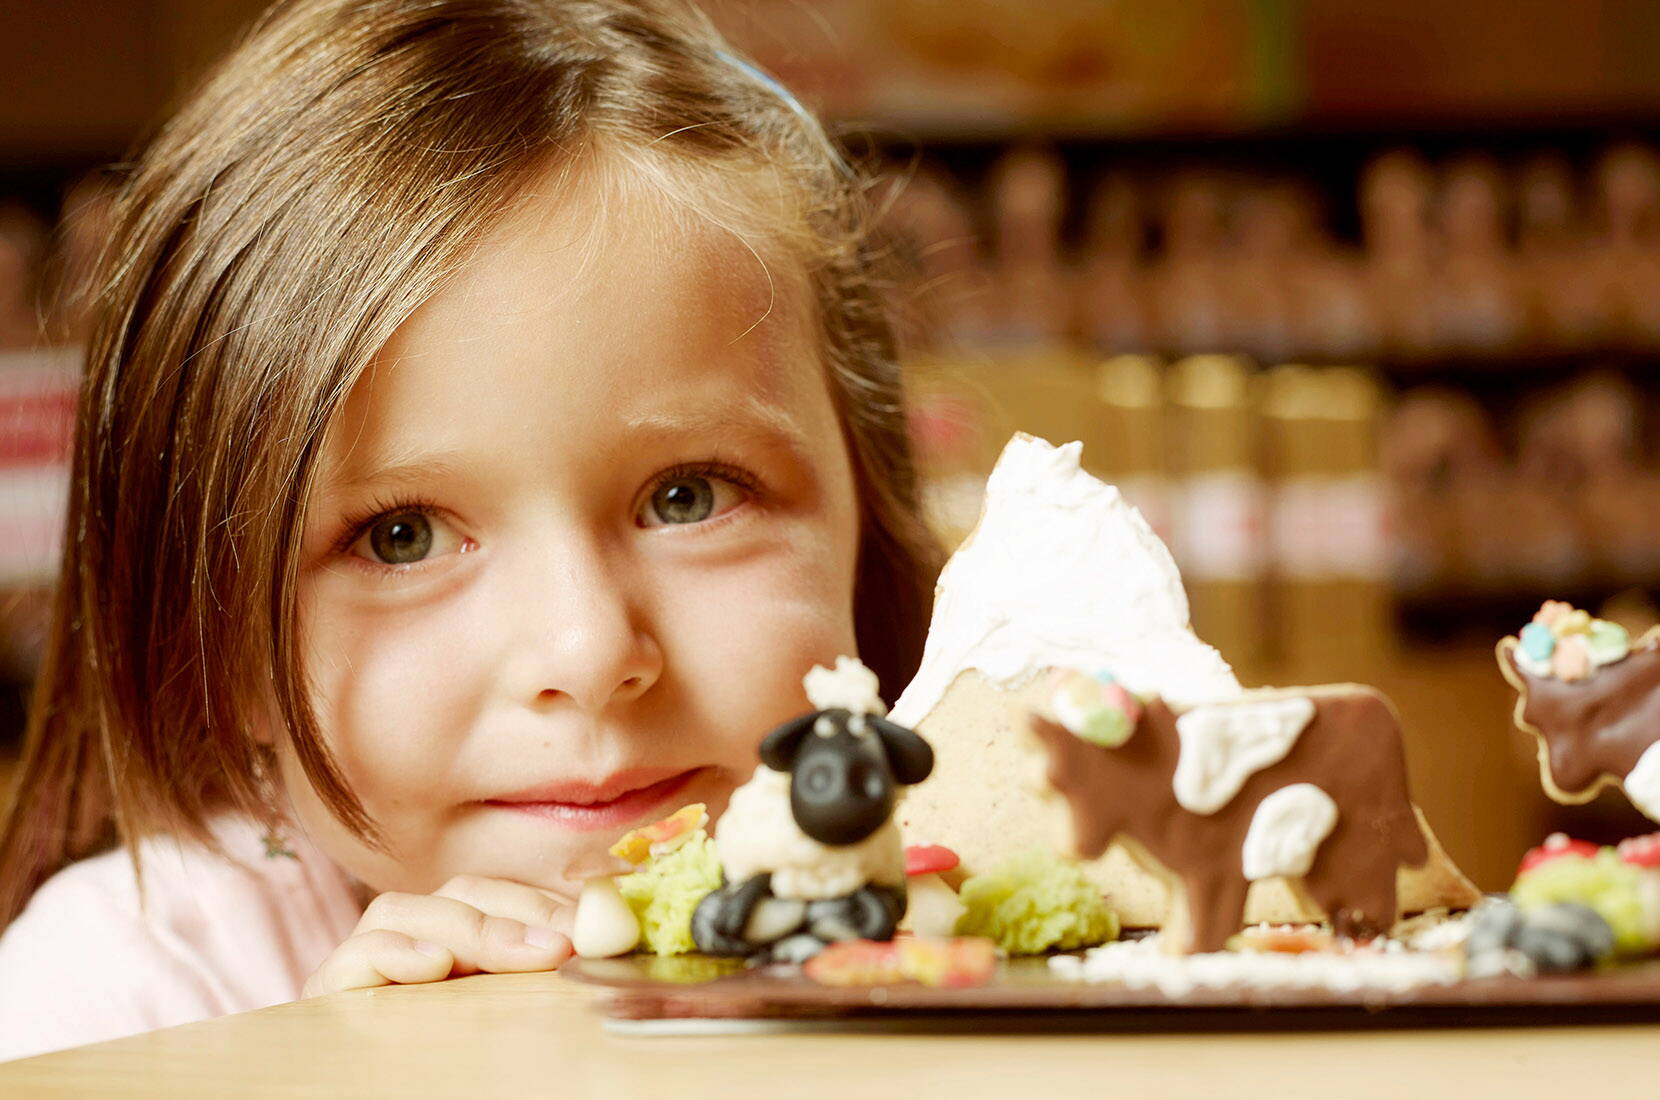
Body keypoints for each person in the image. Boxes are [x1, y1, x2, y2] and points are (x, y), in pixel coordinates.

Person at [0, 0, 940, 1061]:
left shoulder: (981, 928)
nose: (586, 653)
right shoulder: (115, 996)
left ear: (866, 511)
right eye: (401, 535)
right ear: (214, 651)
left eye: (688, 495)